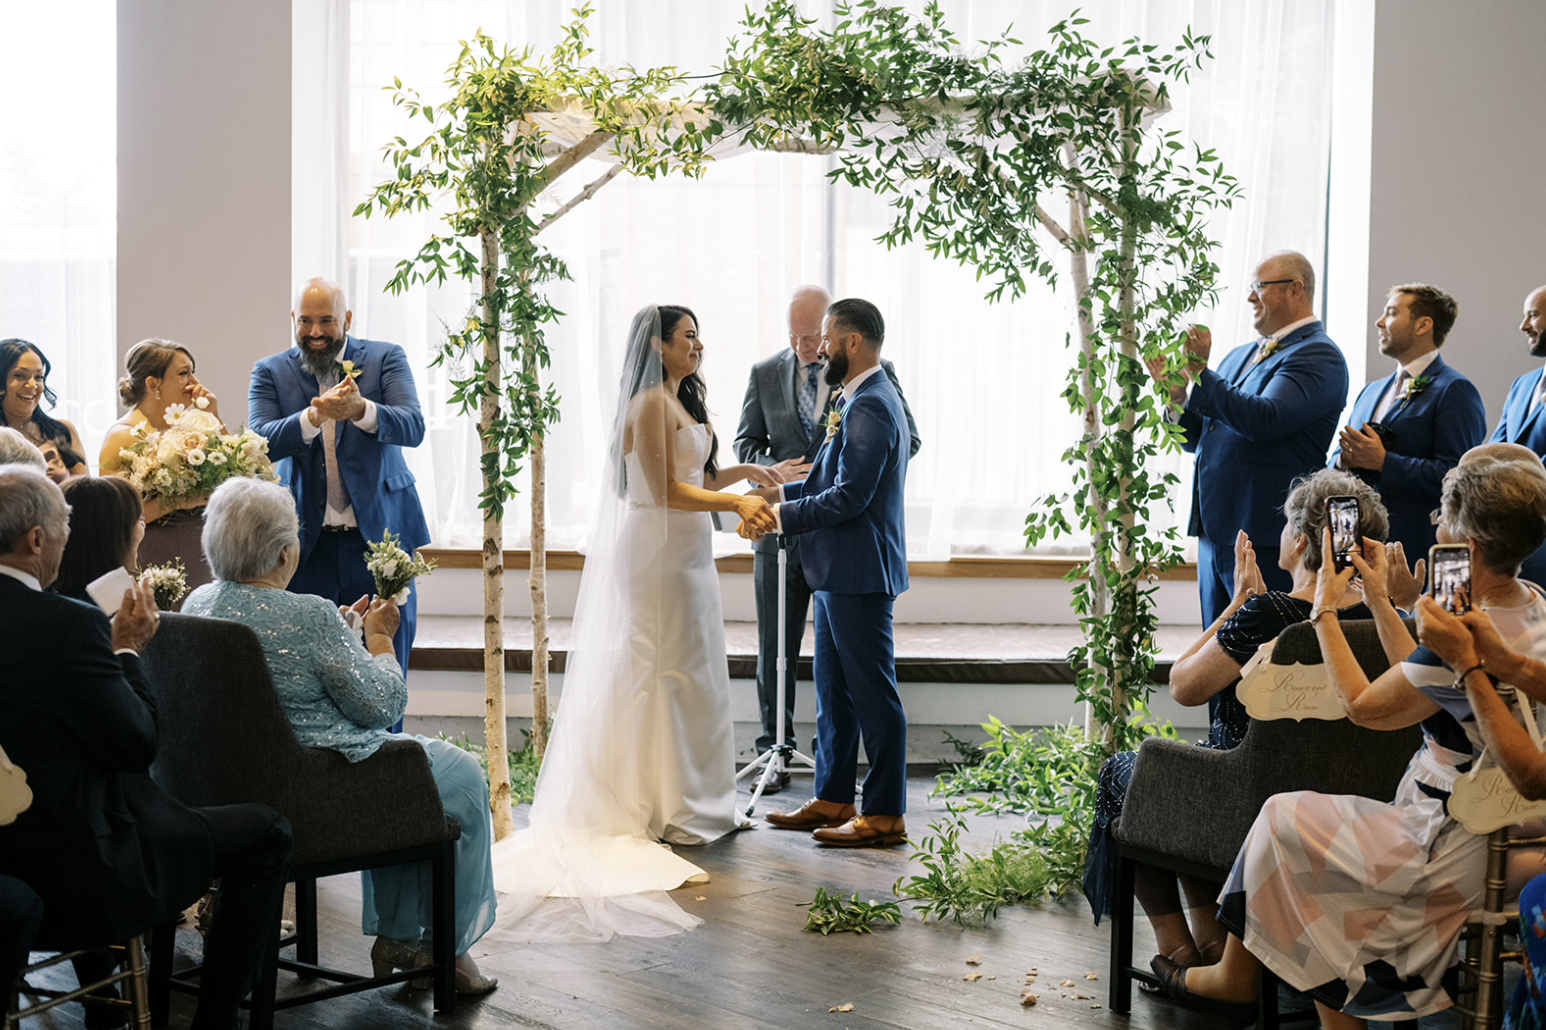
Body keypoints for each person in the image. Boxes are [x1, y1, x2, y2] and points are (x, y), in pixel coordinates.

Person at [1152, 445, 1546, 1028]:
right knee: (1304, 830)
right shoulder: (1533, 607)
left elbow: (1368, 706)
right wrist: (1389, 604)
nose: (1436, 526)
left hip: (1444, 840)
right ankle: (1303, 1004)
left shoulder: (1462, 638)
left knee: (1285, 822)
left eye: (1445, 518)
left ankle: (1239, 981)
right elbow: (1416, 687)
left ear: (1472, 544)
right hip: (1500, 827)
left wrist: (1327, 614)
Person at [485, 304, 777, 943]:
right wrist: (733, 501)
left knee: (692, 669)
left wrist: (751, 475)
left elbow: (695, 477)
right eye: (688, 335)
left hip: (689, 552)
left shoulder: (678, 399)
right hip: (657, 550)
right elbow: (663, 490)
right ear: (658, 344)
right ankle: (649, 802)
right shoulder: (647, 402)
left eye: (700, 334)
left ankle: (692, 801)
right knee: (655, 666)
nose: (699, 344)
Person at [0, 463, 292, 1030]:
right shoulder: (66, 625)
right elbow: (136, 745)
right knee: (268, 831)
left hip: (5, 864)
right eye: (62, 530)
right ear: (36, 539)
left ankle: (103, 1009)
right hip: (75, 872)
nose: (65, 542)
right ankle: (214, 1020)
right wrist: (127, 650)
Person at [182, 476, 498, 994]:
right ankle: (446, 952)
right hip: (312, 794)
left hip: (226, 793)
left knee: (412, 777)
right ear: (286, 553)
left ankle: (402, 937)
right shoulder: (307, 614)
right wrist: (378, 641)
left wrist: (343, 634)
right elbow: (381, 707)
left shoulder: (198, 604)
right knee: (460, 777)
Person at [1083, 470, 1388, 970]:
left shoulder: (1269, 615)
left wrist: (1237, 605)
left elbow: (1182, 686)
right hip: (1349, 805)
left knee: (1124, 774)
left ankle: (1178, 949)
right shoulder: (1387, 615)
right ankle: (1214, 947)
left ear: (1299, 539)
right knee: (1181, 775)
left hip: (1249, 806)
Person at [734, 285, 920, 786]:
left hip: (851, 554)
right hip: (811, 552)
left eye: (820, 337)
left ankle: (882, 810)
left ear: (847, 341)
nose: (811, 348)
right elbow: (749, 441)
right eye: (796, 337)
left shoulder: (873, 398)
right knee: (823, 679)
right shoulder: (786, 378)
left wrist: (789, 505)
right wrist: (778, 481)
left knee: (868, 690)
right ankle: (829, 793)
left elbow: (856, 489)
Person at [1151, 251, 1348, 624]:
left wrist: (1202, 373)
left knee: (1263, 656)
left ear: (1295, 289)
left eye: (1259, 286)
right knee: (1215, 648)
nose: (1250, 297)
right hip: (1216, 530)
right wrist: (1177, 398)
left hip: (1268, 532)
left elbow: (1266, 420)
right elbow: (1199, 438)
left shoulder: (1319, 354)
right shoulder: (1240, 355)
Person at [248, 277, 429, 678]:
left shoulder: (386, 358)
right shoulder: (270, 371)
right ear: (293, 319)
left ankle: (390, 744)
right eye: (306, 321)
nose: (315, 332)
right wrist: (315, 416)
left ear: (346, 318)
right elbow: (258, 440)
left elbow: (413, 426)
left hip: (380, 541)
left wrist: (362, 409)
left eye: (326, 320)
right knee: (308, 668)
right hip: (303, 547)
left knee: (385, 659)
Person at [1331, 283, 1486, 560]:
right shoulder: (1371, 391)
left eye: (1391, 313)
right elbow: (1340, 454)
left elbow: (1458, 476)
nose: (1379, 322)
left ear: (1423, 324)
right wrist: (1342, 461)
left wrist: (1384, 462)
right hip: (1352, 543)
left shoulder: (1454, 390)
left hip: (1411, 546)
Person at [99, 339, 225, 602]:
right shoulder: (122, 437)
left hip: (196, 554)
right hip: (152, 556)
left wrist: (213, 416)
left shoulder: (187, 430)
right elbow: (115, 517)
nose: (194, 382)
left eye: (192, 372)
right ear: (153, 384)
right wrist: (182, 500)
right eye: (184, 373)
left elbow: (234, 477)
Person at [1488, 283, 1546, 584]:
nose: (1524, 325)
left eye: (1533, 315)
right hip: (1507, 543)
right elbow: (1495, 449)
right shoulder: (1521, 385)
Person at [0, 339, 86, 477]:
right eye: (20, 375)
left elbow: (85, 493)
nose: (32, 385)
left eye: (39, 376)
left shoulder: (63, 431)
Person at [51, 476, 144, 603]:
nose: (143, 527)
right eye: (139, 519)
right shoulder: (118, 609)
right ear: (113, 537)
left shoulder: (45, 597)